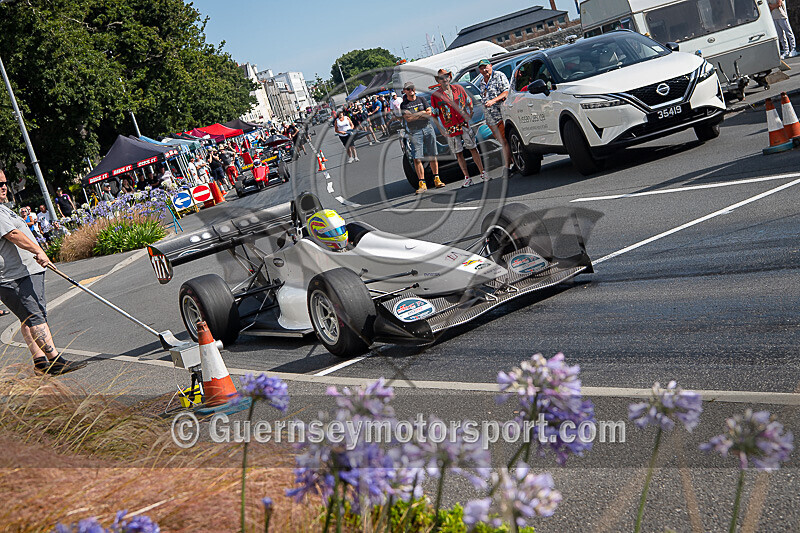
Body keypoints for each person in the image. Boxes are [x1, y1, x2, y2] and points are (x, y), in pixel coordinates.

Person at [0, 169, 86, 374]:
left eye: (4, 182)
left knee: (28, 317)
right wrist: (38, 250)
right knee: (35, 315)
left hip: (24, 272)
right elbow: (13, 234)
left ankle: (40, 360)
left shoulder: (3, 208)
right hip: (15, 276)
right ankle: (54, 360)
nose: (3, 187)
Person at [430, 68, 487, 188]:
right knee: (459, 153)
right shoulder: (436, 96)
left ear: (449, 77)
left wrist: (470, 114)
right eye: (441, 77)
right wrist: (441, 129)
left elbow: (469, 101)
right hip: (450, 127)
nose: (444, 79)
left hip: (463, 124)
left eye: (446, 76)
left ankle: (482, 173)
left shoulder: (459, 89)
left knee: (473, 148)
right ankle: (467, 177)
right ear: (438, 80)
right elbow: (434, 114)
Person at [400, 81, 443, 194]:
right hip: (415, 132)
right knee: (417, 158)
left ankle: (437, 179)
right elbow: (408, 119)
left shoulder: (422, 100)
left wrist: (416, 115)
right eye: (408, 89)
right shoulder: (404, 105)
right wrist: (421, 113)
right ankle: (422, 183)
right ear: (405, 91)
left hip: (428, 128)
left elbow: (429, 113)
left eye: (412, 88)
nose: (411, 90)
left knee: (432, 155)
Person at [476, 58, 515, 175]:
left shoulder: (499, 76)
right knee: (503, 142)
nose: (484, 70)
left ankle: (507, 167)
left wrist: (493, 101)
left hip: (501, 114)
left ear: (490, 66)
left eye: (485, 67)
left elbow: (506, 92)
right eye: (481, 68)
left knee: (505, 142)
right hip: (491, 118)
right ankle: (514, 163)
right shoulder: (482, 82)